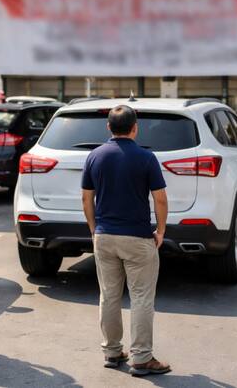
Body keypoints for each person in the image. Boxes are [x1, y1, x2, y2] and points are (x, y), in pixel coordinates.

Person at [81, 105, 172, 377]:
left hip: (104, 236)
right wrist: (161, 231)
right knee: (141, 297)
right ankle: (142, 358)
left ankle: (112, 351)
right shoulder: (146, 158)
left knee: (108, 295)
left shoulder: (94, 156)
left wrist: (94, 229)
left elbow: (86, 198)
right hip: (137, 237)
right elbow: (160, 199)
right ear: (135, 128)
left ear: (109, 127)